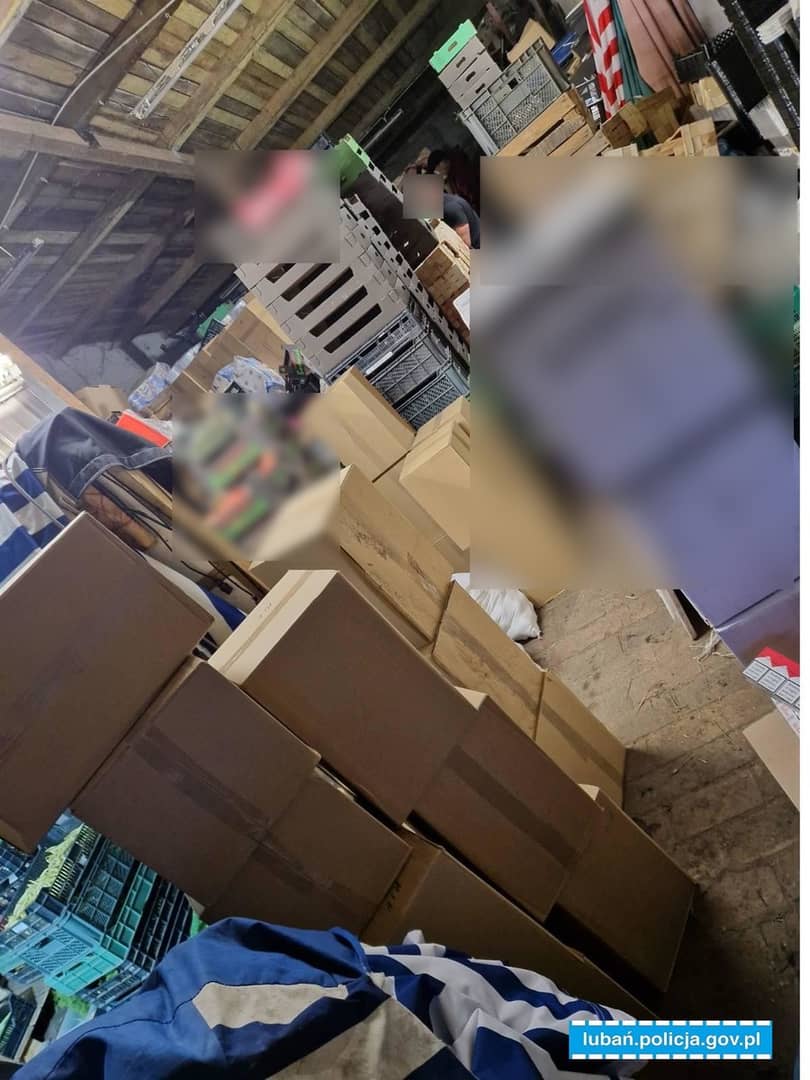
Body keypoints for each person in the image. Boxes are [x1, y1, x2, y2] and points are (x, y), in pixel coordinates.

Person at [426, 149, 480, 249]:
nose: (448, 164)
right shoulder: (442, 187)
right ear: (438, 165)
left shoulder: (450, 205)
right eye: (445, 161)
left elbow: (465, 245)